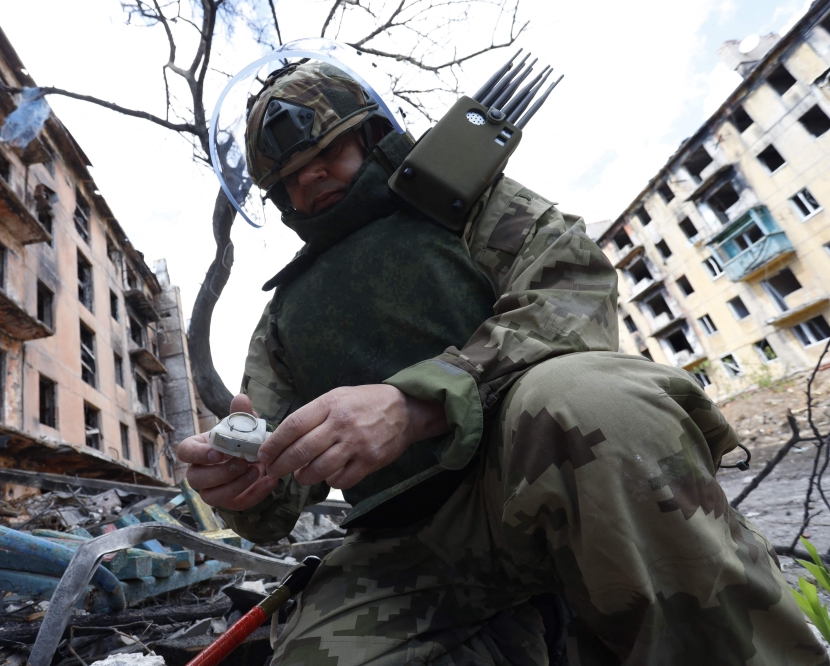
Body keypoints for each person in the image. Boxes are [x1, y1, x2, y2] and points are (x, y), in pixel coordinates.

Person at [178, 61, 826, 664]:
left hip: (547, 472)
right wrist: (244, 483)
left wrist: (422, 401)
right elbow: (278, 498)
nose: (309, 177)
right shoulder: (284, 319)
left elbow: (573, 297)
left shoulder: (470, 206)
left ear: (375, 135)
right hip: (407, 545)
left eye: (327, 153)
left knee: (591, 400)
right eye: (288, 177)